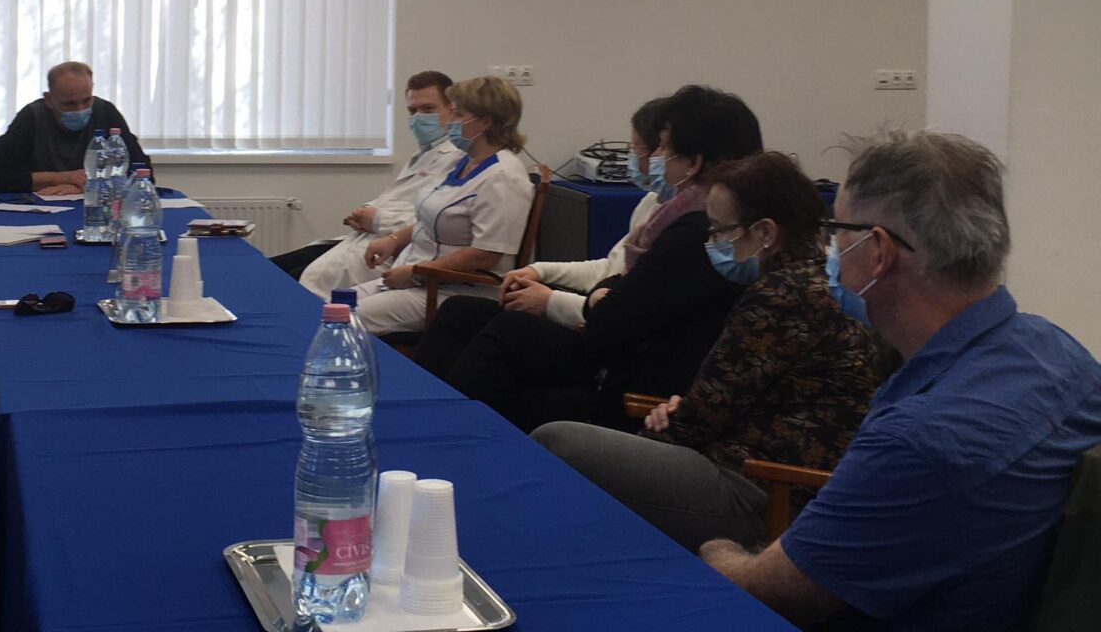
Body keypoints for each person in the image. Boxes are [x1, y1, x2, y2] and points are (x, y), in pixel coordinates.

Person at [701, 131, 1101, 631]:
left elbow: (770, 594)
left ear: (878, 251)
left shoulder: (920, 440)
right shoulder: (1060, 352)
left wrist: (714, 548)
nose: (828, 248)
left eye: (836, 230)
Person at [532, 152, 883, 551]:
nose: (711, 242)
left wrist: (665, 422)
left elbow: (700, 419)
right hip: (758, 468)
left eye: (719, 230)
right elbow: (724, 401)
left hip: (764, 490)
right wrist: (680, 412)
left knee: (555, 441)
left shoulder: (782, 295)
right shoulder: (812, 280)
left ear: (765, 232)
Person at [418, 85, 763, 433]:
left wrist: (567, 300)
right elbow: (619, 282)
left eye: (662, 147)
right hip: (620, 355)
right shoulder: (675, 214)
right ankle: (434, 420)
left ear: (694, 162)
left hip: (629, 386)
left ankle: (444, 433)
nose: (654, 156)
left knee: (508, 339)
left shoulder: (694, 231)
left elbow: (613, 319)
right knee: (468, 317)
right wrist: (584, 288)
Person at [350, 75, 534, 337]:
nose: (449, 122)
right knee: (328, 308)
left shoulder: (503, 178)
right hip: (421, 277)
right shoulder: (465, 163)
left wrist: (417, 274)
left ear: (485, 121)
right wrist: (394, 239)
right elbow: (430, 218)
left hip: (457, 290)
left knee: (343, 320)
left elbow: (486, 254)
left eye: (458, 114)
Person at [277, 71, 460, 297]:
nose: (418, 118)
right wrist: (364, 212)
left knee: (291, 282)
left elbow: (438, 220)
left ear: (452, 109)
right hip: (366, 239)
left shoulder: (458, 158)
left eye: (428, 109)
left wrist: (377, 219)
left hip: (393, 250)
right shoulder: (424, 154)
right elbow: (397, 198)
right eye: (412, 111)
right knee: (276, 269)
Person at [0, 61, 150, 196]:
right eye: (70, 104)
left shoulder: (106, 112)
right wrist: (61, 178)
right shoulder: (33, 117)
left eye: (86, 100)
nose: (80, 109)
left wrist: (84, 187)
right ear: (49, 99)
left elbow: (142, 172)